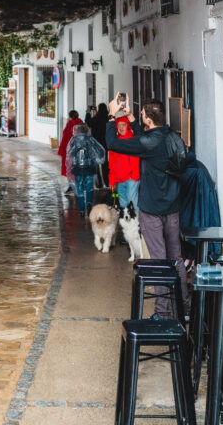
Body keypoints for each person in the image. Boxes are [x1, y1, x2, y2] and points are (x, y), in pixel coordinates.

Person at [106, 96, 188, 316]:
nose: (140, 118)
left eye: (142, 115)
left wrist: (112, 115)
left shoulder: (151, 143)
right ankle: (184, 307)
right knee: (176, 258)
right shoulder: (172, 137)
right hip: (172, 208)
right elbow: (148, 140)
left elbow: (113, 144)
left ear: (149, 120)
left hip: (152, 210)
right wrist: (132, 118)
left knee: (160, 261)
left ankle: (163, 313)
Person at [66, 123, 106, 216]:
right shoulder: (91, 140)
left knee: (79, 189)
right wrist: (97, 159)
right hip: (89, 168)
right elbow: (100, 151)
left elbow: (70, 154)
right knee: (89, 187)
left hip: (77, 169)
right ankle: (89, 203)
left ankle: (82, 210)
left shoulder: (73, 140)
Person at [108, 115, 140, 210]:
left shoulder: (133, 140)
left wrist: (135, 176)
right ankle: (126, 224)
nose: (121, 128)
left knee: (133, 202)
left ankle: (137, 223)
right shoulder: (114, 142)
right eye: (119, 125)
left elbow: (138, 159)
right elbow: (112, 163)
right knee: (123, 204)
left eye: (124, 125)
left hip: (131, 178)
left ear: (128, 126)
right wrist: (112, 180)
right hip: (119, 179)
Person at [58, 109, 84, 193]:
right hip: (79, 149)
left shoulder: (70, 125)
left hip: (69, 150)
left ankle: (72, 187)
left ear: (70, 117)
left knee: (70, 169)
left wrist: (62, 150)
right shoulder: (81, 124)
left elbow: (65, 138)